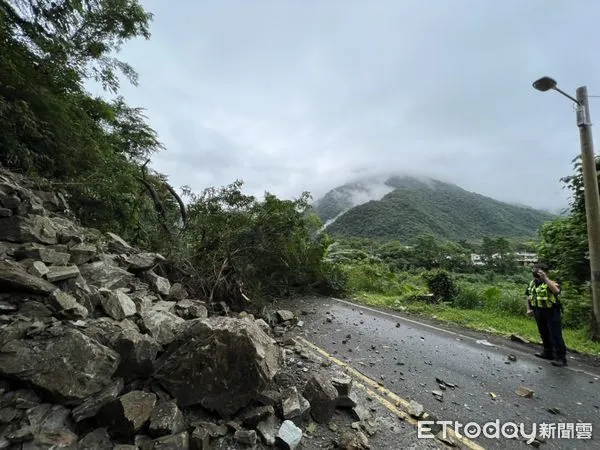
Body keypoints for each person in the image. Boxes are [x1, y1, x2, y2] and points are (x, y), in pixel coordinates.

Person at [525, 263, 567, 367]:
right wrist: (529, 309)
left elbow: (556, 291)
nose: (535, 272)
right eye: (534, 270)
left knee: (555, 335)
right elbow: (528, 296)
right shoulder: (532, 283)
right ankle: (548, 352)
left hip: (551, 311)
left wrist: (545, 278)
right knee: (543, 333)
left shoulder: (551, 283)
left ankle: (561, 358)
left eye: (538, 271)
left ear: (545, 272)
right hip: (538, 311)